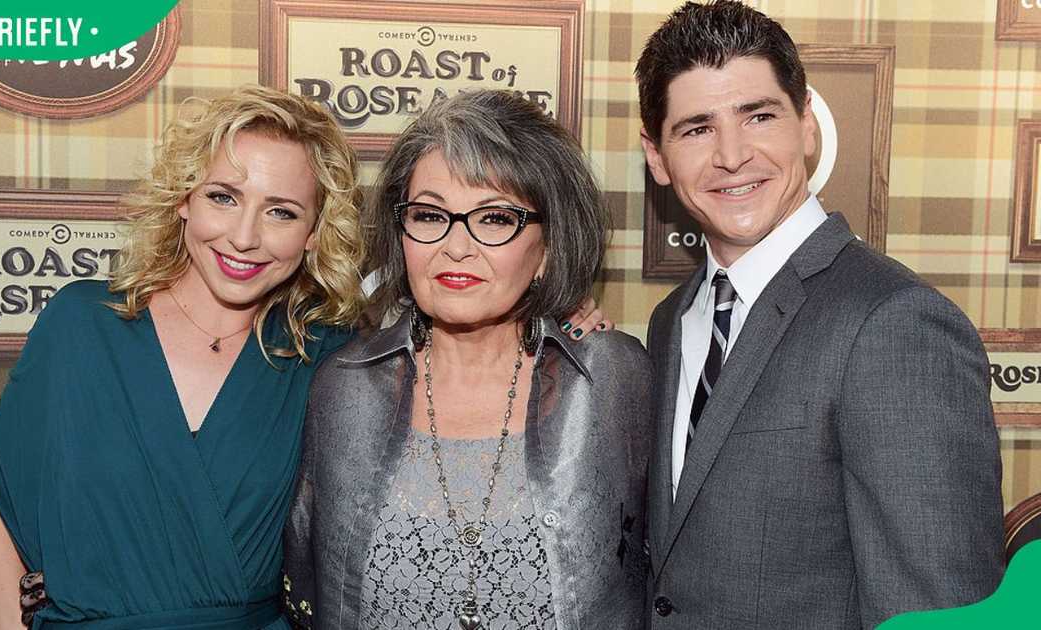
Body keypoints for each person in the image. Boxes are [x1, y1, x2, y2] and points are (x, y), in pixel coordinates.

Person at [637, 1, 1004, 627]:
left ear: (807, 124)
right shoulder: (673, 319)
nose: (732, 155)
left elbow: (938, 610)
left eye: (758, 116)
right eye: (697, 128)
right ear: (657, 157)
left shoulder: (895, 324)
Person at [0, 85, 366, 629]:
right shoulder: (81, 324)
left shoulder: (328, 359)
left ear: (315, 234)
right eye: (223, 197)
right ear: (183, 198)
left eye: (281, 212)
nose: (244, 237)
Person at [282, 89, 651, 630]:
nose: (456, 247)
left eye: (496, 218)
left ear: (548, 247)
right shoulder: (344, 386)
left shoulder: (611, 378)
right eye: (430, 216)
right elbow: (306, 582)